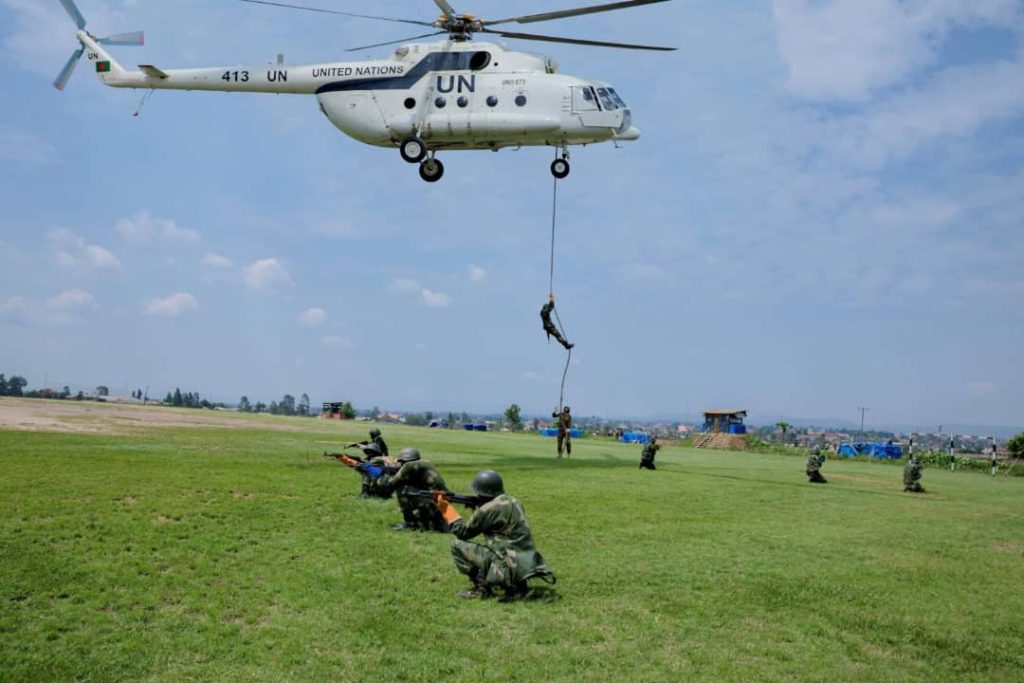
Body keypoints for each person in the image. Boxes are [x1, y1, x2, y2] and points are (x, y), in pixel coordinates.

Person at [433, 470, 555, 601]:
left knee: (457, 545)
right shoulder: (515, 502)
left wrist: (446, 509)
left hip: (505, 566)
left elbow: (463, 532)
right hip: (527, 566)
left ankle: (481, 589)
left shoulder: (487, 509)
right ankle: (519, 587)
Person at [378, 447, 449, 531]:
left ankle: (410, 523)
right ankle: (433, 522)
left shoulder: (409, 466)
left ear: (404, 461)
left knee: (402, 487)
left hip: (434, 505)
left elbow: (389, 485)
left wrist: (386, 472)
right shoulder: (424, 464)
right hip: (444, 507)